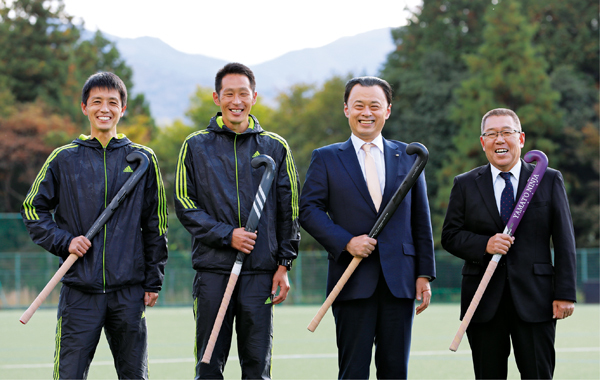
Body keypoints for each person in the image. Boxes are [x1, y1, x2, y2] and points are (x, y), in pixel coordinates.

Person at [21, 72, 168, 379]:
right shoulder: (64, 158)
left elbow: (155, 224)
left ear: (123, 109)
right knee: (69, 375)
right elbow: (33, 210)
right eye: (97, 101)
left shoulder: (143, 159)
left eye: (112, 102)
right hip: (79, 291)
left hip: (127, 292)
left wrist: (153, 280)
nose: (105, 108)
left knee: (134, 376)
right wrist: (65, 241)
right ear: (84, 107)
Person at [299, 76, 436, 379]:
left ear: (388, 110)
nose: (366, 112)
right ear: (346, 109)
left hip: (398, 282)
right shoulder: (326, 158)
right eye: (358, 105)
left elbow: (420, 219)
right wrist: (346, 242)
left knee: (395, 370)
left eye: (375, 105)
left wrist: (424, 273)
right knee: (353, 372)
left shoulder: (410, 157)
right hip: (351, 281)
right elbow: (308, 211)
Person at [174, 62, 300, 379]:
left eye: (243, 93)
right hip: (213, 270)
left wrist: (284, 264)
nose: (236, 101)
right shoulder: (195, 146)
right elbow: (185, 205)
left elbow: (289, 209)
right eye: (228, 94)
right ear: (216, 98)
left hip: (261, 271)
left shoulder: (275, 147)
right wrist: (227, 235)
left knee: (257, 366)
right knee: (209, 365)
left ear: (254, 97)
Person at [441, 108, 577, 379]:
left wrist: (565, 293)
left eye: (506, 132)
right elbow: (450, 236)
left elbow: (564, 239)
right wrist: (485, 244)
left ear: (521, 138)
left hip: (536, 299)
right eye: (491, 134)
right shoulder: (465, 184)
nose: (499, 140)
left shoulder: (548, 179)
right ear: (483, 143)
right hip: (483, 301)